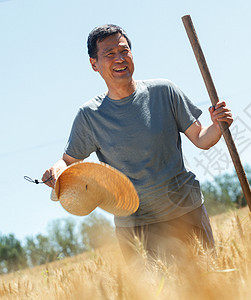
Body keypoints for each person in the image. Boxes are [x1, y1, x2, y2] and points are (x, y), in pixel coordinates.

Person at [42, 24, 233, 263]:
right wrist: (56, 172)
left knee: (209, 286)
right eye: (109, 54)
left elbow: (201, 138)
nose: (119, 59)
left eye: (124, 51)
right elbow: (68, 162)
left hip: (186, 213)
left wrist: (218, 125)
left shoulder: (164, 91)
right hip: (136, 229)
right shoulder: (89, 116)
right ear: (94, 64)